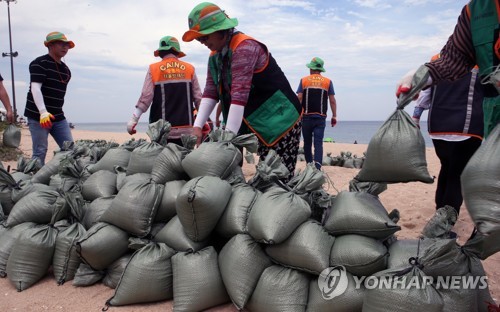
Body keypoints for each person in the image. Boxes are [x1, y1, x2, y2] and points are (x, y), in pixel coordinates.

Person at [182, 2, 303, 180]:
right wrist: (198, 127)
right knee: (264, 173)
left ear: (220, 29)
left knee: (277, 177)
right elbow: (210, 91)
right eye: (200, 40)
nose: (203, 43)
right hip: (258, 121)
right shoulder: (215, 55)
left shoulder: (244, 47)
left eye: (205, 37)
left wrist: (227, 140)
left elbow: (239, 96)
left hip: (281, 119)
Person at [396, 0, 500, 138]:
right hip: (490, 121)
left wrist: (416, 116)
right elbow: (454, 59)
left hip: (466, 128)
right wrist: (420, 75)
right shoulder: (474, 11)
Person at [412, 54, 484, 215]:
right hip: (466, 127)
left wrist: (416, 117)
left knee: (447, 168)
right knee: (457, 174)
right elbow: (491, 89)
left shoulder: (437, 60)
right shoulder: (481, 61)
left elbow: (425, 91)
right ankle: (445, 221)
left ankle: (440, 211)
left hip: (437, 127)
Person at [127, 36, 204, 146]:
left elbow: (146, 96)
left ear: (161, 53)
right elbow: (198, 99)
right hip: (186, 131)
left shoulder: (154, 69)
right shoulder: (189, 69)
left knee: (162, 162)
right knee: (184, 161)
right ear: (177, 52)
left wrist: (133, 120)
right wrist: (202, 122)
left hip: (162, 131)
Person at [24, 31, 75, 166]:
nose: (65, 47)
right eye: (61, 44)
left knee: (70, 149)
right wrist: (42, 112)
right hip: (38, 116)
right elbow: (35, 88)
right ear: (50, 45)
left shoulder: (65, 70)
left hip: (58, 116)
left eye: (67, 45)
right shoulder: (39, 63)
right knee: (40, 151)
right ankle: (33, 182)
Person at [296, 57, 337, 170]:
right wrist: (334, 115)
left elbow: (299, 97)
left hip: (306, 117)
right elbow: (332, 100)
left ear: (311, 69)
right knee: (318, 144)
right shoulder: (328, 82)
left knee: (307, 143)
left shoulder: (304, 80)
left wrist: (297, 114)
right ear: (320, 69)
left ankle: (309, 167)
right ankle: (317, 168)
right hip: (320, 118)